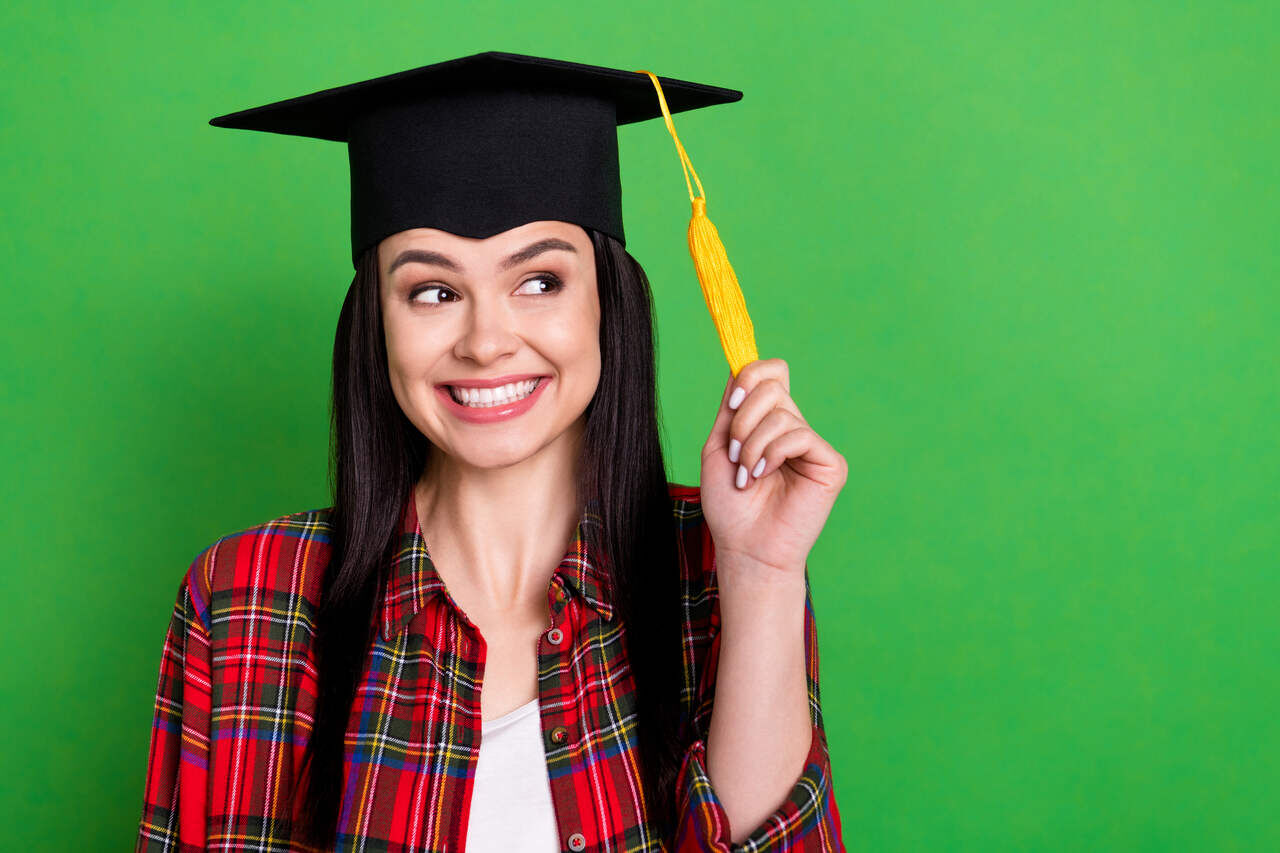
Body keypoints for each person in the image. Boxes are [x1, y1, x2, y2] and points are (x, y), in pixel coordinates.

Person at [136, 51, 849, 852]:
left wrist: (761, 575)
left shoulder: (717, 566)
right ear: (377, 321)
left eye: (539, 280)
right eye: (432, 291)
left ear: (607, 303)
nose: (485, 341)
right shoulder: (245, 601)